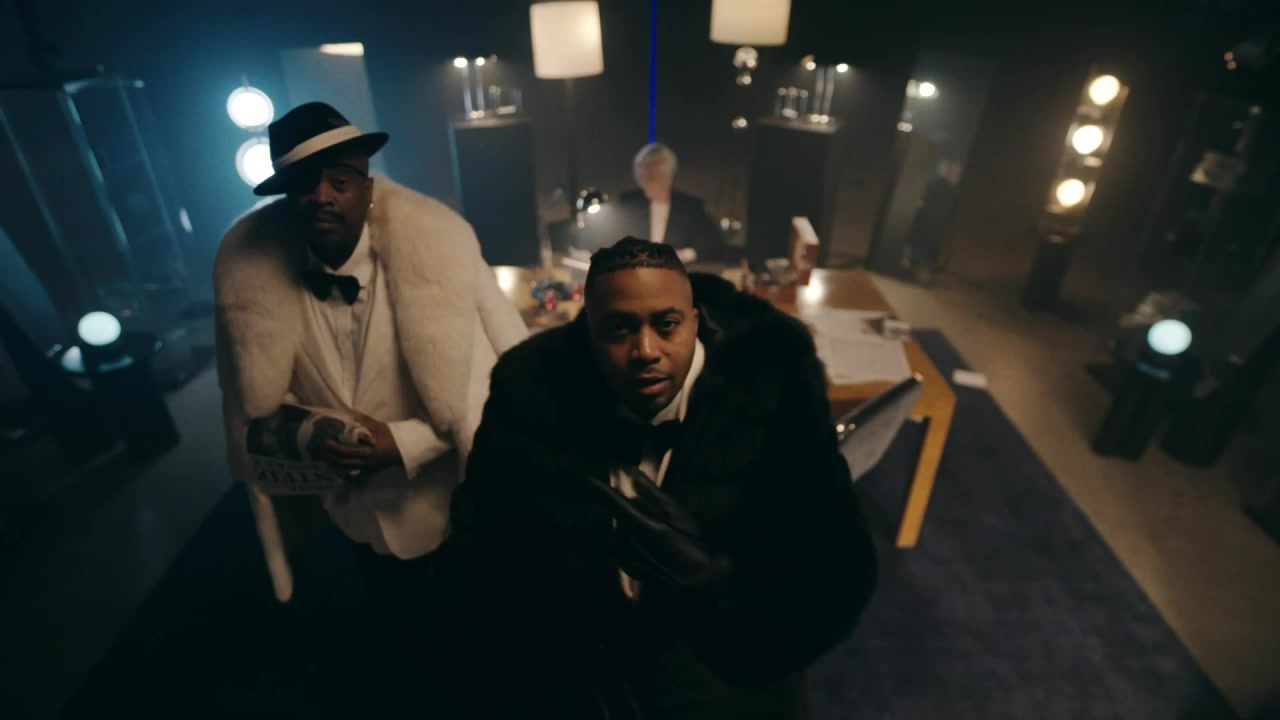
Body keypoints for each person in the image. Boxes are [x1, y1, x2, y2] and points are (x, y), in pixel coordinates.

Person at [445, 238, 878, 718]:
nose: (646, 351)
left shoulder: (773, 387)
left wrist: (712, 586)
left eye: (666, 325)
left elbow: (837, 576)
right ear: (588, 332)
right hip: (578, 676)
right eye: (620, 328)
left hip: (724, 671)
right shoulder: (526, 391)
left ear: (695, 321)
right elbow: (479, 548)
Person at [213, 102, 527, 712]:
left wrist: (403, 444)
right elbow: (250, 403)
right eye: (305, 183)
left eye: (340, 180)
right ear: (286, 197)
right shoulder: (255, 288)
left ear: (369, 188)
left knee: (479, 659)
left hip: (452, 512)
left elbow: (493, 392)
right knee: (398, 653)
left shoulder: (436, 266)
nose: (322, 196)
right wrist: (308, 437)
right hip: (349, 520)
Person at [614, 144, 727, 264]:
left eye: (651, 177)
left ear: (669, 176)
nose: (644, 183)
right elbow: (612, 242)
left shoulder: (690, 208)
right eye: (640, 176)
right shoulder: (627, 203)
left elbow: (713, 246)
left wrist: (685, 254)